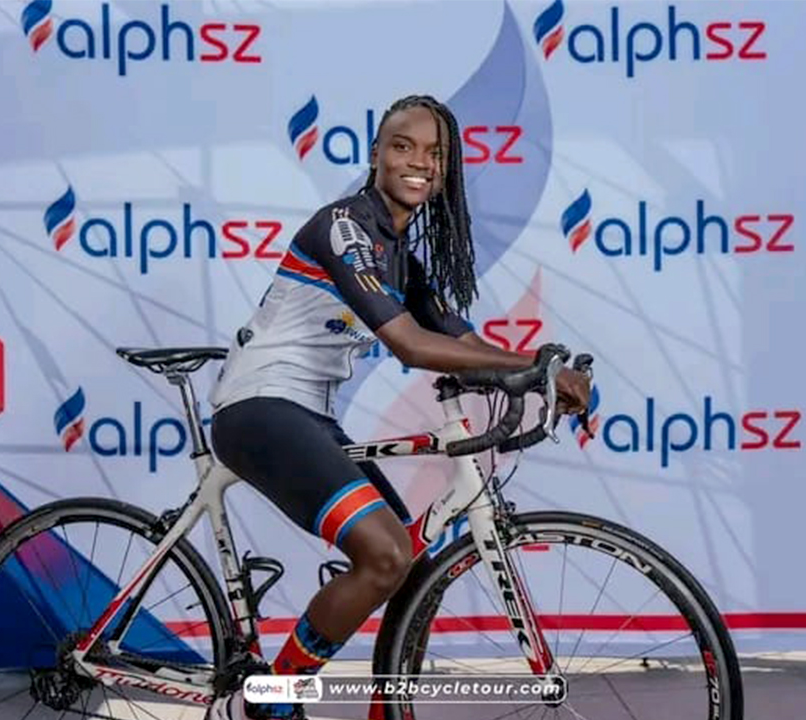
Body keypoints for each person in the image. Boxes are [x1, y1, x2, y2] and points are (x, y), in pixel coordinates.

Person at [207, 94, 592, 720]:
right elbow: (410, 345)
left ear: (447, 170)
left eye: (434, 153)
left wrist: (538, 373)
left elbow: (459, 338)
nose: (419, 162)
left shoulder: (397, 254)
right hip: (259, 405)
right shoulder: (343, 228)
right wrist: (526, 364)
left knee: (406, 562)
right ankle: (266, 704)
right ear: (376, 155)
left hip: (308, 413)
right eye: (403, 146)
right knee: (386, 553)